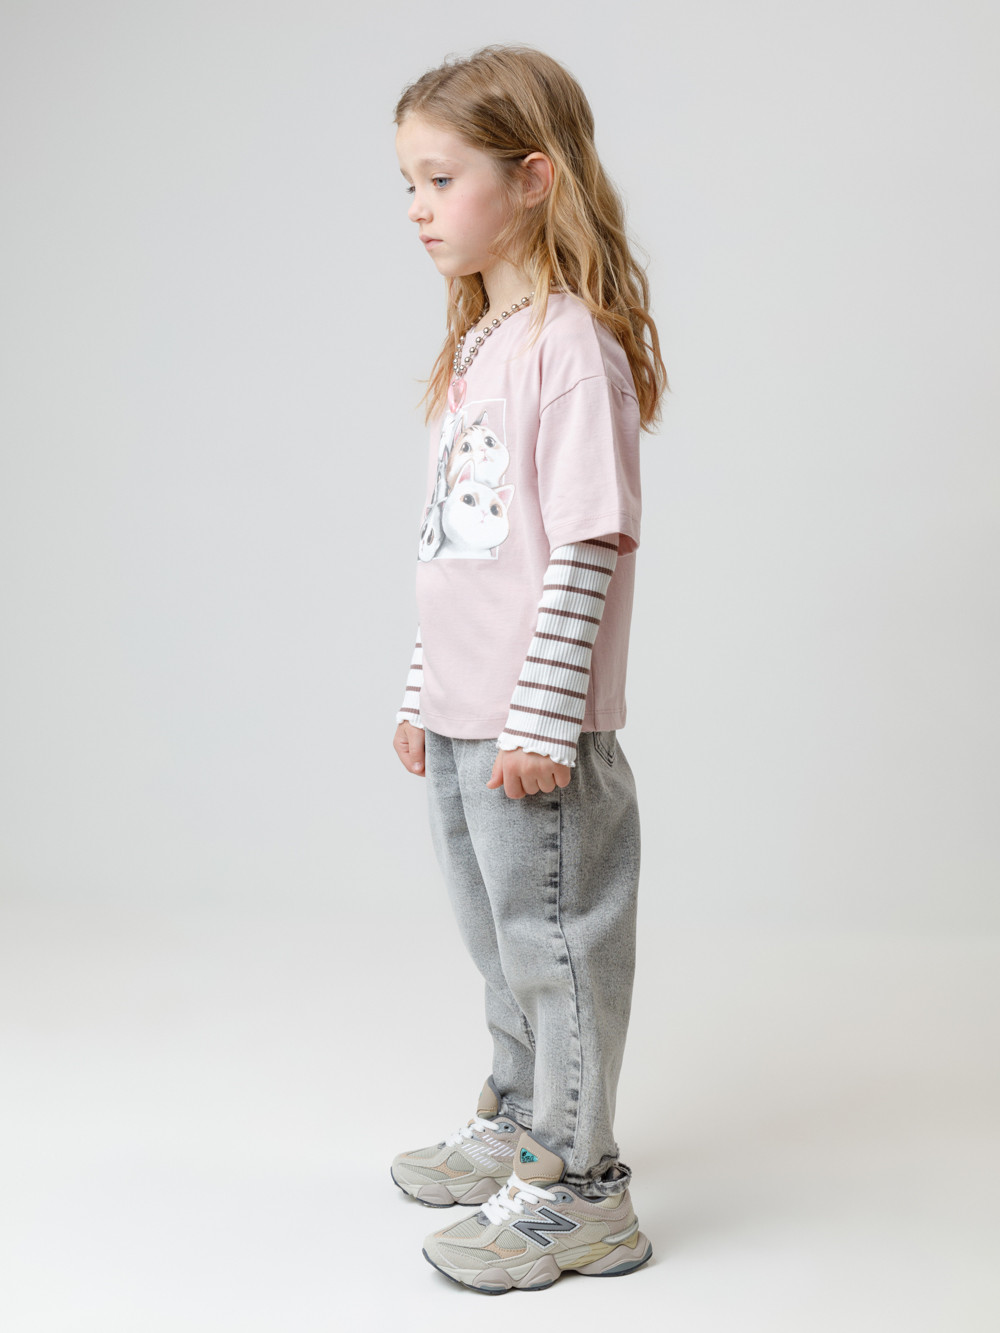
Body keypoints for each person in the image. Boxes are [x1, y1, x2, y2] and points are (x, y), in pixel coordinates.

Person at [389, 45, 668, 1294]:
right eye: (409, 183)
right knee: (500, 946)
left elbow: (588, 542)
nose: (417, 207)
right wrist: (422, 692)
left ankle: (580, 1186)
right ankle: (519, 1119)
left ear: (534, 178)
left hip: (530, 731)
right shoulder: (476, 354)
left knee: (556, 949)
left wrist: (542, 719)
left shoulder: (571, 346)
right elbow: (456, 552)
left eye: (441, 178)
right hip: (466, 722)